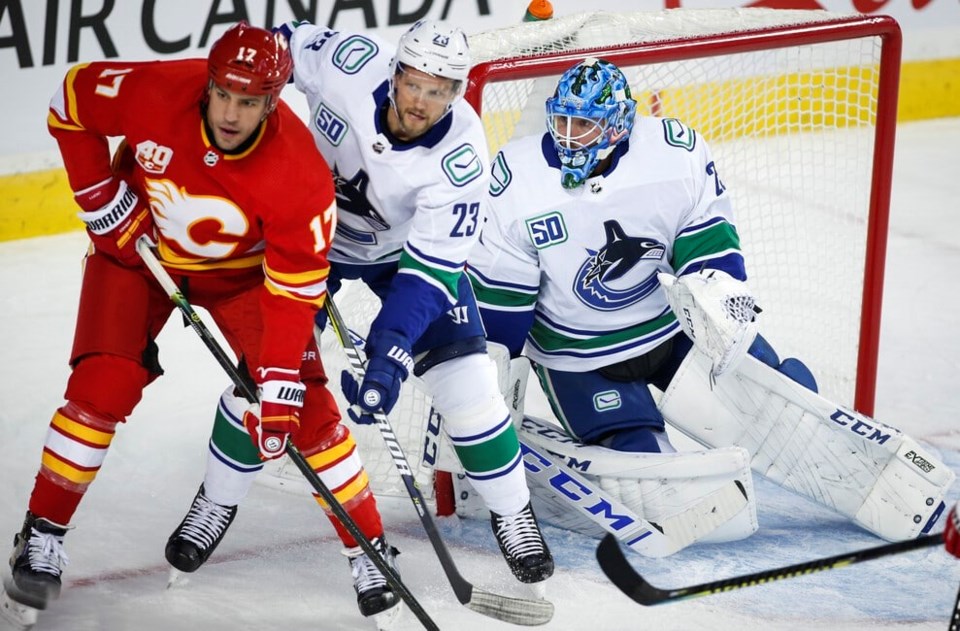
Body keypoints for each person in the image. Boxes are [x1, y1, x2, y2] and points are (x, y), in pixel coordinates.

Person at [4, 22, 399, 622]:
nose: (231, 113)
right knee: (101, 389)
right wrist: (95, 193)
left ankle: (369, 548)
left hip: (242, 278)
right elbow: (69, 102)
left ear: (273, 100)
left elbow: (294, 292)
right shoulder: (157, 90)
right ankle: (43, 532)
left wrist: (280, 383)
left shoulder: (300, 175)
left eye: (249, 101)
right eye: (223, 94)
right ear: (209, 84)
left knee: (307, 411)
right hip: (136, 255)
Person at [466, 57, 952, 544]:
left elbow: (707, 245)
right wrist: (488, 370)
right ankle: (643, 455)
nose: (569, 137)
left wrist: (723, 313)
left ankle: (841, 448)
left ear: (616, 125)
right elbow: (504, 291)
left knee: (780, 398)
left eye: (584, 125)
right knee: (639, 456)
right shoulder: (516, 177)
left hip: (672, 332)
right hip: (578, 358)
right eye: (562, 121)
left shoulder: (671, 153)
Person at [176, 18, 555, 593]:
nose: (422, 101)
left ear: (456, 94)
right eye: (414, 83)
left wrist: (390, 353)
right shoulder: (349, 61)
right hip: (305, 235)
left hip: (400, 256)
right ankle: (216, 500)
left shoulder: (462, 160)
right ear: (395, 71)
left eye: (439, 90)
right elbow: (269, 51)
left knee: (470, 384)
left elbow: (428, 275)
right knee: (267, 378)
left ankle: (513, 511)